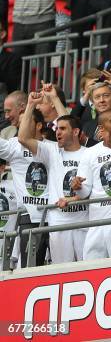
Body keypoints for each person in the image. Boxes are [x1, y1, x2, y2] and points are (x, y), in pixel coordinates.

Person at [18, 96, 87, 264]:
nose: (57, 132)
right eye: (57, 129)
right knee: (62, 273)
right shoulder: (51, 151)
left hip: (84, 222)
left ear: (76, 132)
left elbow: (69, 121)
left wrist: (55, 99)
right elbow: (23, 138)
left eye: (62, 129)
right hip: (58, 223)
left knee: (87, 270)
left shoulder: (89, 153)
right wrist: (30, 105)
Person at [72, 111, 111, 259]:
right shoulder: (90, 152)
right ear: (102, 128)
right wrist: (78, 187)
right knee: (91, 268)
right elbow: (85, 192)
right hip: (96, 221)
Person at [0, 106, 49, 267]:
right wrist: (29, 104)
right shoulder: (14, 146)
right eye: (20, 124)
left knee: (58, 266)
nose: (22, 127)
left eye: (26, 122)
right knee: (30, 268)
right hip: (28, 216)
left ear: (39, 125)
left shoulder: (53, 146)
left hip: (56, 216)